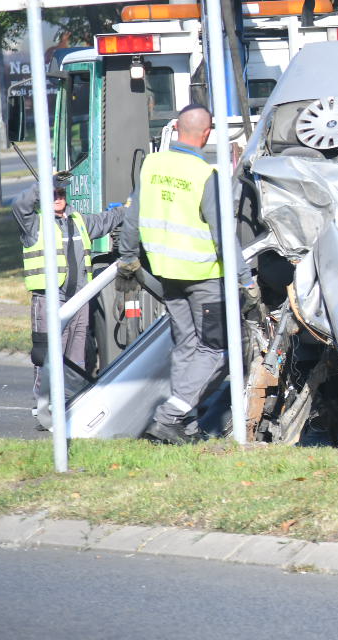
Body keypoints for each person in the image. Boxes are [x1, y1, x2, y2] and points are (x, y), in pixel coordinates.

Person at [117, 104, 255, 445]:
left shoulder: (151, 165)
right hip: (204, 277)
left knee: (186, 348)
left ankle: (186, 428)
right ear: (206, 134)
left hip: (168, 275)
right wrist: (245, 279)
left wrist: (128, 258)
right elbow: (224, 235)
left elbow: (131, 218)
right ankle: (169, 417)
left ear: (177, 127)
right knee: (217, 351)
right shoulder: (204, 176)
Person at [11, 179, 126, 426]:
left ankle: (72, 403)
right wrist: (43, 183)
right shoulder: (34, 223)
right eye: (52, 194)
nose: (57, 198)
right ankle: (44, 407)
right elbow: (19, 205)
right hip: (50, 299)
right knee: (49, 353)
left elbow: (108, 220)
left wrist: (130, 208)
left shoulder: (79, 221)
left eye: (60, 193)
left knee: (76, 355)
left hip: (79, 298)